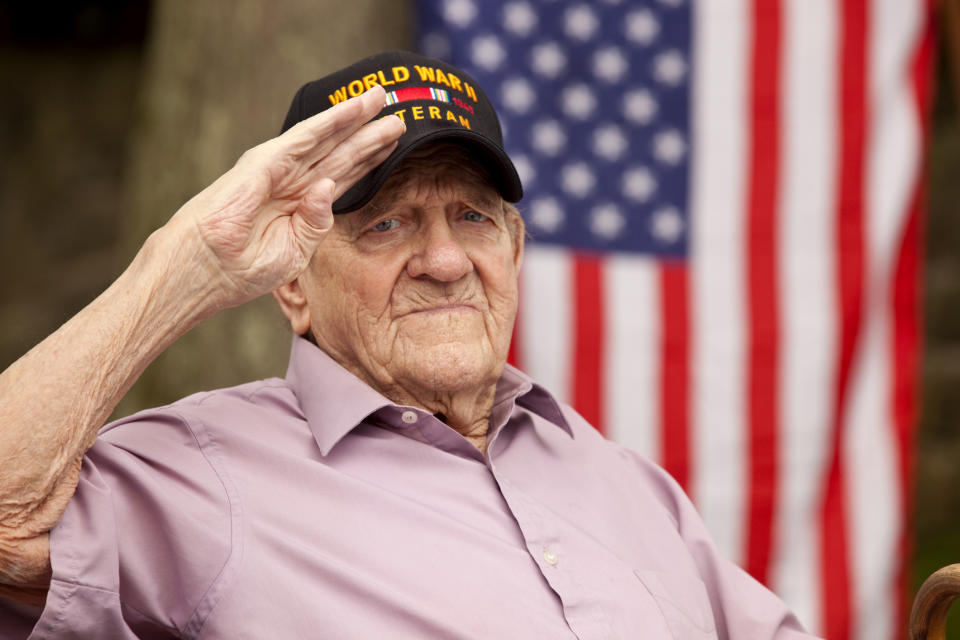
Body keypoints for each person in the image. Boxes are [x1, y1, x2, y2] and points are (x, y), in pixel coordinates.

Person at [0, 50, 818, 639]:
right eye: (386, 223)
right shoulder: (202, 477)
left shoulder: (624, 482)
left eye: (472, 217)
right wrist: (191, 263)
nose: (444, 260)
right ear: (292, 282)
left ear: (515, 249)